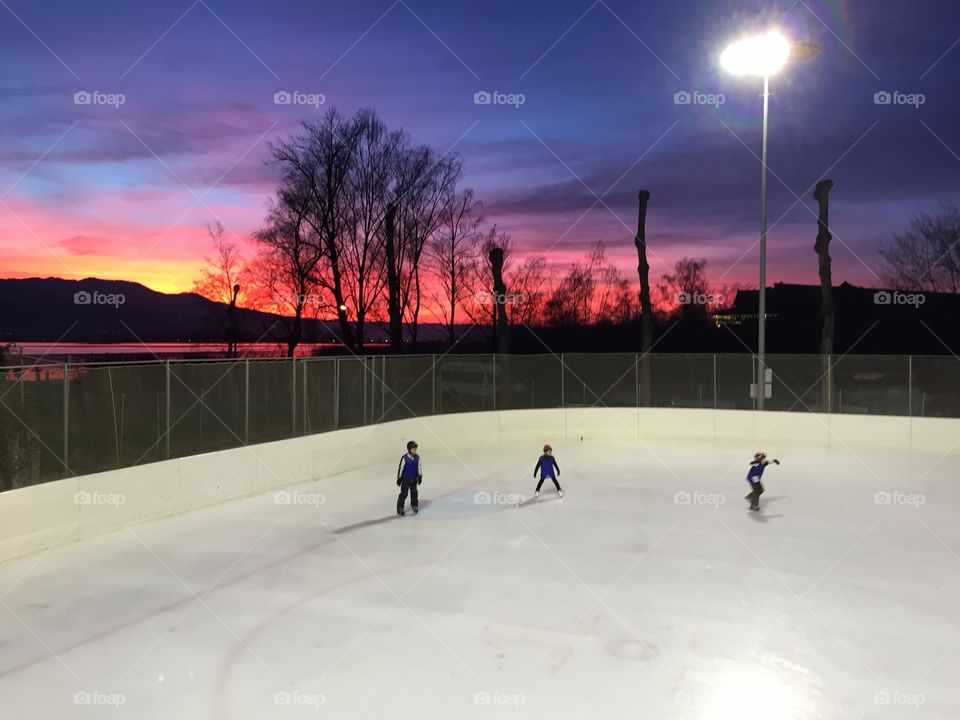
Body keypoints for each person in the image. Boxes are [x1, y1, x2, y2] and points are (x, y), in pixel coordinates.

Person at [397, 440, 422, 516]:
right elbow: (401, 468)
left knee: (414, 493)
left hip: (414, 479)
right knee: (404, 494)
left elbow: (419, 467)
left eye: (415, 449)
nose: (415, 451)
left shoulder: (417, 457)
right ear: (409, 449)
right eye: (413, 449)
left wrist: (420, 476)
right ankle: (400, 507)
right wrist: (399, 478)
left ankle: (414, 504)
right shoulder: (405, 458)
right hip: (406, 479)